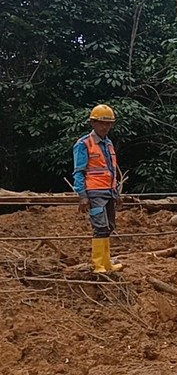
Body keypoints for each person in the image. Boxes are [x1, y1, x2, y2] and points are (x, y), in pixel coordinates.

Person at [73, 104, 123, 273]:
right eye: (102, 123)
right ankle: (98, 264)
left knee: (108, 227)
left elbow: (111, 170)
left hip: (108, 192)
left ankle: (107, 263)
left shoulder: (108, 144)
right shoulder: (84, 144)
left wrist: (115, 192)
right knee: (100, 227)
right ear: (93, 123)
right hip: (94, 193)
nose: (105, 126)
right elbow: (79, 171)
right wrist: (82, 195)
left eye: (108, 123)